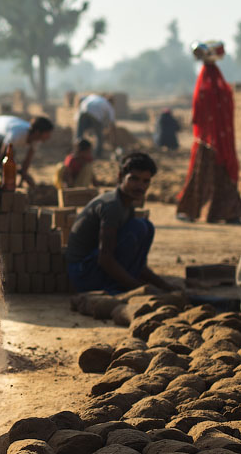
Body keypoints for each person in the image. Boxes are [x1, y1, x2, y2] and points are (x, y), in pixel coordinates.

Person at [66, 152, 176, 293]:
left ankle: (121, 285)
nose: (140, 186)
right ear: (120, 177)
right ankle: (113, 288)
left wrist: (165, 286)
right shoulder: (112, 206)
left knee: (146, 227)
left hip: (92, 268)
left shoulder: (126, 206)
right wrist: (138, 289)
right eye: (134, 179)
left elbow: (137, 262)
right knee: (139, 228)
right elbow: (105, 259)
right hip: (83, 273)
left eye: (145, 181)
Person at [175, 58, 241, 224]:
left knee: (202, 177)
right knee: (215, 177)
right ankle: (228, 214)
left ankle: (225, 213)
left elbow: (196, 117)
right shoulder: (221, 90)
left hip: (207, 142)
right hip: (217, 144)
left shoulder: (204, 90)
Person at [0, 115, 54, 187]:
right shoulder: (17, 133)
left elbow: (27, 161)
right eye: (47, 133)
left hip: (4, 138)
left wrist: (22, 178)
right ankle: (3, 187)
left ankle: (9, 185)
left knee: (11, 161)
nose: (49, 136)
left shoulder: (37, 139)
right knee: (3, 165)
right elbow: (2, 156)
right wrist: (17, 170)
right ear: (38, 132)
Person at [75, 94, 116, 159]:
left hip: (83, 110)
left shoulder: (94, 97)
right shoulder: (109, 105)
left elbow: (80, 99)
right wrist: (113, 138)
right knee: (99, 136)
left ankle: (76, 151)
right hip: (96, 114)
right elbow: (112, 123)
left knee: (79, 133)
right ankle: (98, 154)